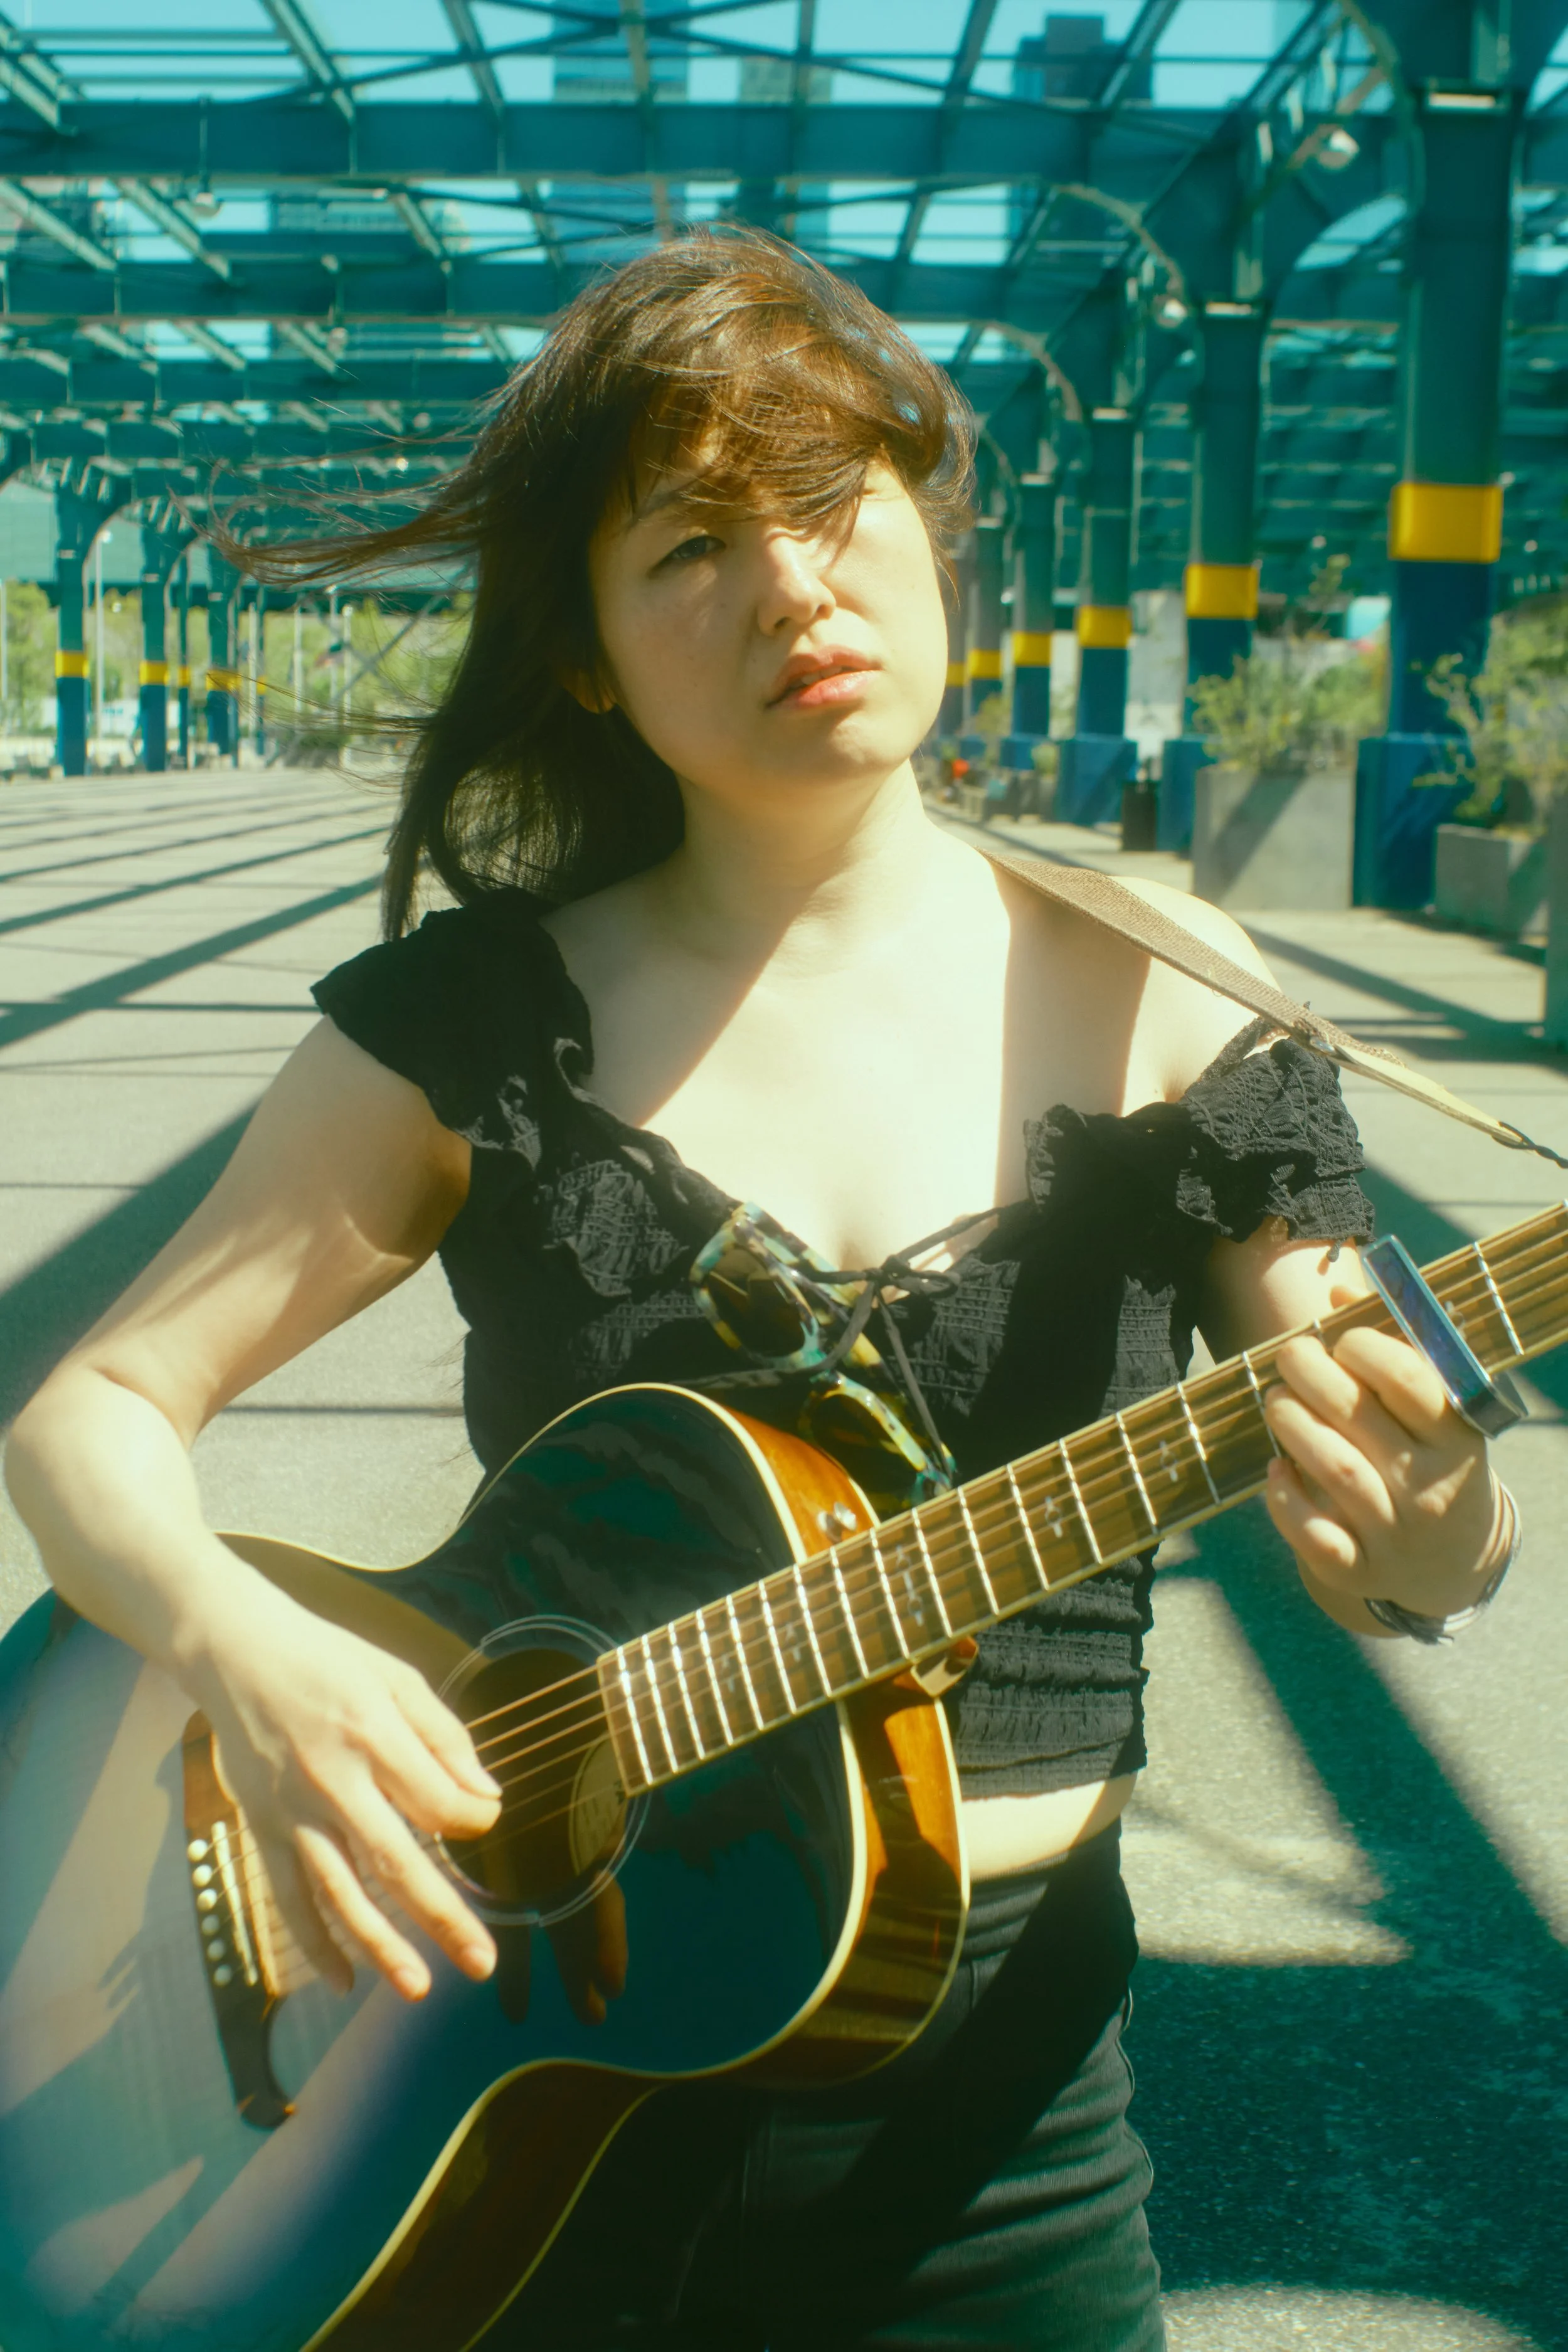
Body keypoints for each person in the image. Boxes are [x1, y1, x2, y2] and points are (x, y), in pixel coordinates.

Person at [4, 231, 1512, 2351]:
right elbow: (87, 1422)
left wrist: (1430, 1525)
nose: (790, 580)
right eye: (690, 543)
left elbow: (1393, 1526)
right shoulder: (476, 1030)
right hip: (486, 2072)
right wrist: (249, 1649)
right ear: (597, 658)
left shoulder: (1168, 996)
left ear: (929, 527)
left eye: (827, 500)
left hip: (991, 2134)